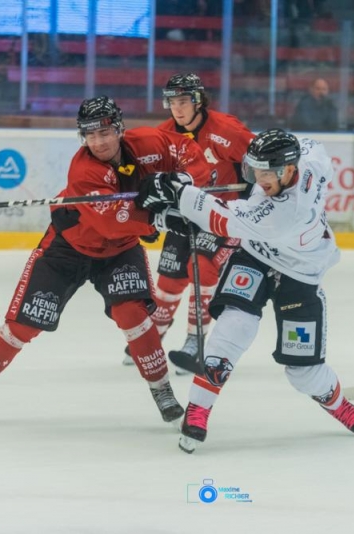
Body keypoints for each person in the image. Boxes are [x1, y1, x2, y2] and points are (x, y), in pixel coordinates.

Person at [0, 96, 212, 425]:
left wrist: (184, 182)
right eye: (90, 135)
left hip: (119, 251)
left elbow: (189, 153)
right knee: (23, 325)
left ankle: (162, 391)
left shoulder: (149, 142)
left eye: (104, 133)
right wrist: (161, 218)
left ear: (119, 129)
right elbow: (111, 222)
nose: (98, 142)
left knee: (133, 315)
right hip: (67, 249)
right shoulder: (83, 170)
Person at [135, 128, 354, 454]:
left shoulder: (288, 211)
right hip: (256, 257)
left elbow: (224, 219)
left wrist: (179, 192)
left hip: (301, 274)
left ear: (289, 169)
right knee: (234, 326)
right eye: (255, 170)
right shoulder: (309, 162)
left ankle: (337, 403)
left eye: (266, 173)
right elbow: (312, 146)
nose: (259, 180)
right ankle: (199, 408)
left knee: (303, 373)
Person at [125, 73, 254, 372]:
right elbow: (148, 179)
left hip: (224, 215)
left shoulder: (226, 129)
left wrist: (253, 198)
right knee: (170, 278)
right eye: (172, 102)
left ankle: (195, 341)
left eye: (184, 101)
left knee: (203, 267)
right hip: (184, 213)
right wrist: (147, 217)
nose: (178, 108)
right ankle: (154, 337)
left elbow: (260, 160)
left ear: (198, 101)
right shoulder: (164, 134)